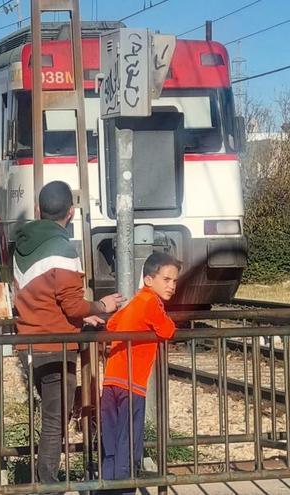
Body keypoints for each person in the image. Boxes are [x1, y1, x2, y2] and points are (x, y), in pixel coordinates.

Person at [13, 180, 124, 486]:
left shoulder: (22, 245)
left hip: (30, 345)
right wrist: (100, 305)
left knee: (51, 417)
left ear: (38, 210)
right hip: (56, 347)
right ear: (71, 212)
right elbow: (73, 305)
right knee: (55, 423)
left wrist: (81, 315)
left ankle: (45, 480)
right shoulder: (63, 249)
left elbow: (42, 297)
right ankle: (48, 485)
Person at [100, 252, 180, 494]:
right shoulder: (150, 302)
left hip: (112, 380)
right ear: (148, 280)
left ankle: (106, 487)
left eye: (174, 281)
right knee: (129, 441)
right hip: (132, 384)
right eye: (166, 280)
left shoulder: (135, 301)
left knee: (111, 441)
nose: (172, 286)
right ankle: (124, 490)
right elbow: (167, 330)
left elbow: (111, 324)